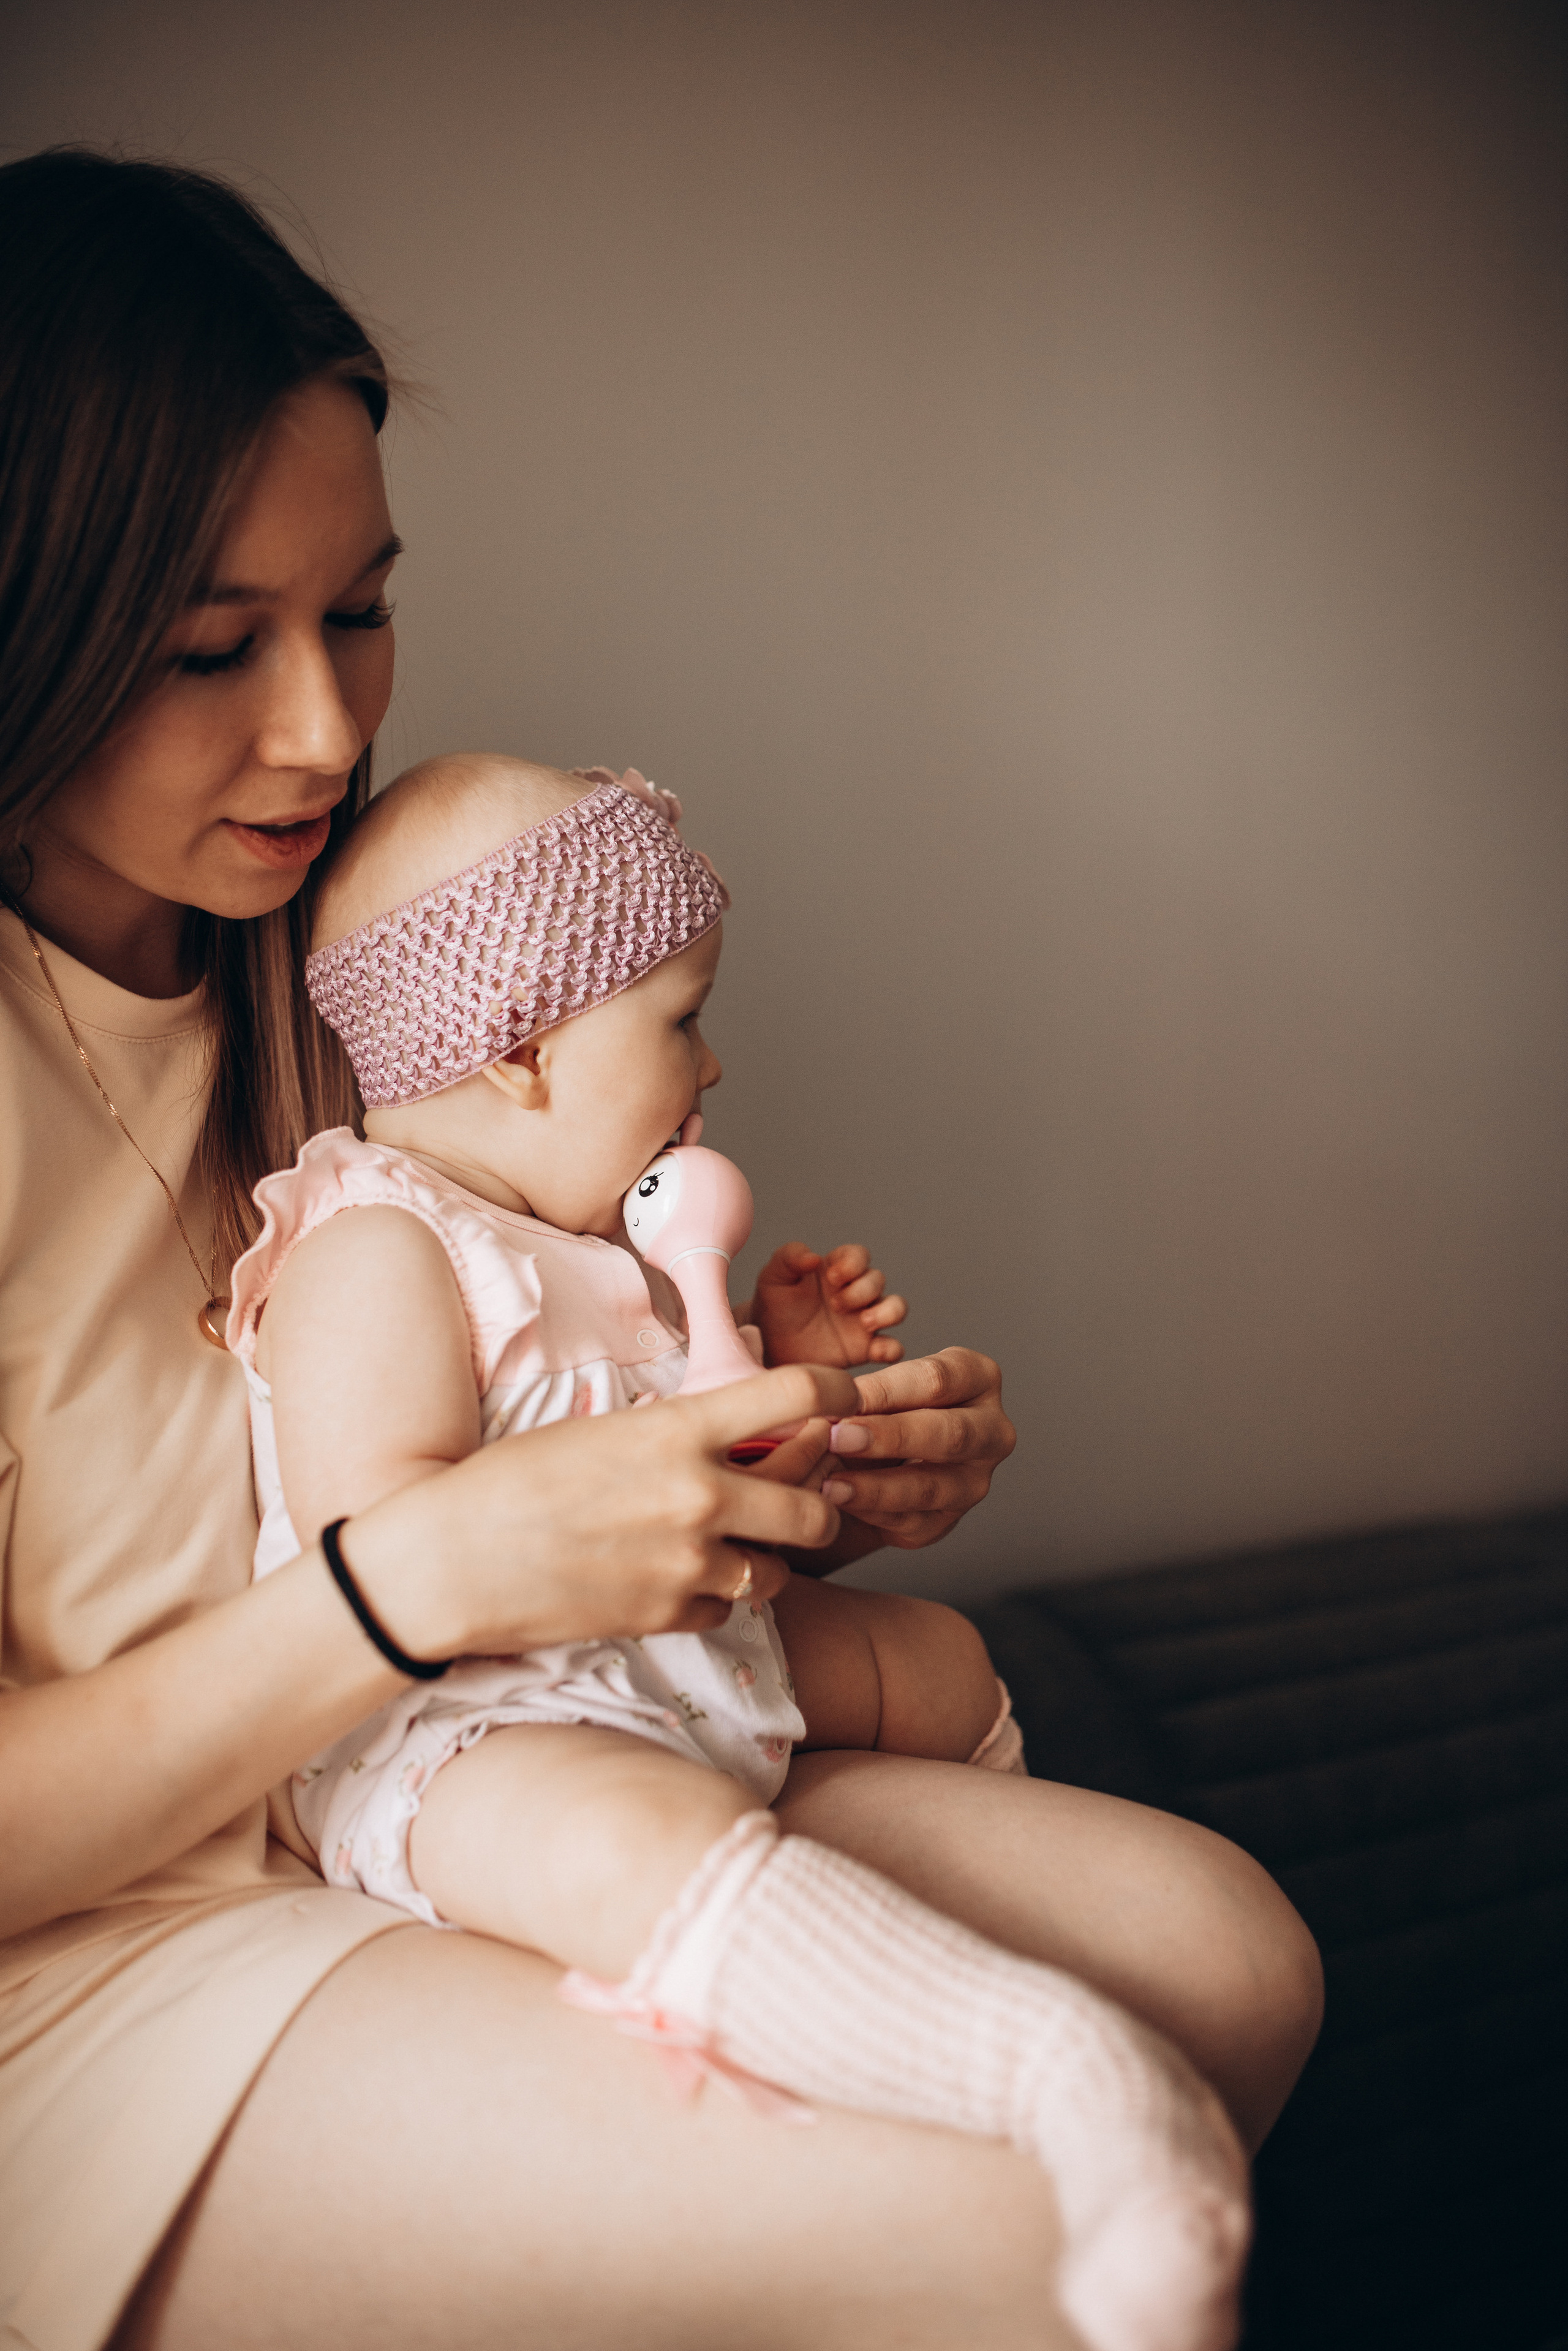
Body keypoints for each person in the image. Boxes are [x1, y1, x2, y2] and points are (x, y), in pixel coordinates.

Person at [0, 149, 1322, 2351]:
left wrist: (782, 1471)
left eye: (361, 611)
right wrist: (417, 1579)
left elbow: (588, 1354)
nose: (326, 731)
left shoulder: (354, 961)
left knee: (1224, 1957)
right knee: (999, 2235)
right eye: (212, 647)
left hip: (466, 1772)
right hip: (90, 1960)